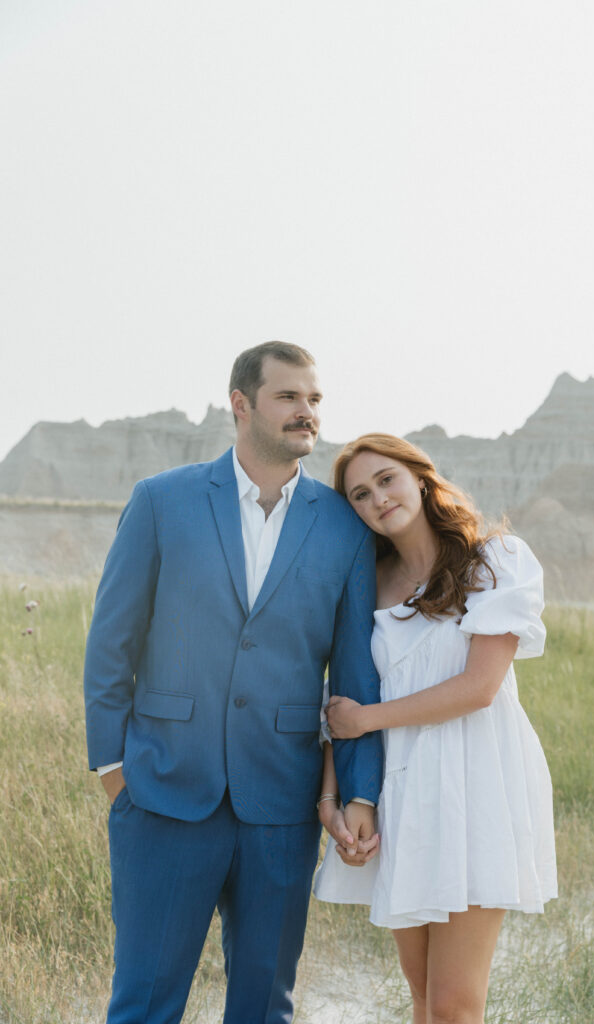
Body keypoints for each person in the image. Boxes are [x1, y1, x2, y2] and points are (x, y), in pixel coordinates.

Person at [83, 341, 383, 1024]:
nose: (306, 412)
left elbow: (354, 673)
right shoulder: (163, 501)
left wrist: (360, 789)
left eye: (313, 399)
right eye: (288, 397)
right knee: (144, 1006)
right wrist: (112, 765)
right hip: (161, 796)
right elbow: (111, 644)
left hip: (281, 803)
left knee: (263, 1007)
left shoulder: (343, 524)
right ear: (241, 405)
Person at [314, 433, 557, 1024]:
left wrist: (365, 720)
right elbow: (342, 700)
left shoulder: (493, 560)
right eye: (360, 494)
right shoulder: (365, 585)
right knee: (422, 995)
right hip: (403, 789)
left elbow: (479, 688)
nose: (378, 498)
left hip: (476, 785)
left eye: (387, 479)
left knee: (454, 1005)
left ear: (420, 478)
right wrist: (332, 797)